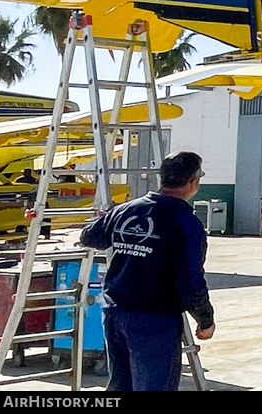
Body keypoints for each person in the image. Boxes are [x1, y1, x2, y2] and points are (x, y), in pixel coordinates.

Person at [80, 151, 215, 391]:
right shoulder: (185, 222)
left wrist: (108, 217)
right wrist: (205, 319)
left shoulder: (126, 210)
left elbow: (90, 236)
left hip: (115, 313)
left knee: (122, 386)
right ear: (194, 182)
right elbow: (190, 281)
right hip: (153, 320)